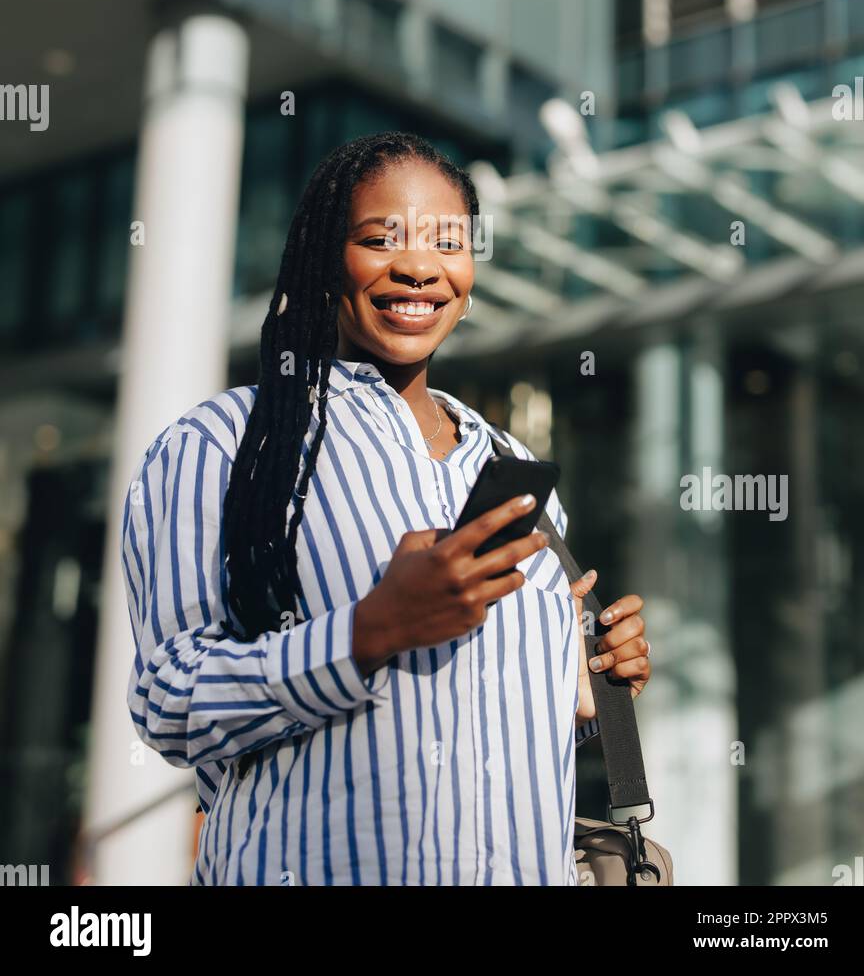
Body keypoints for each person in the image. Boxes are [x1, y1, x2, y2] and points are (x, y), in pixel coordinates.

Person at [122, 131, 651, 886]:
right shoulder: (225, 444)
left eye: (447, 241)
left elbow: (493, 710)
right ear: (323, 259)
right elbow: (169, 703)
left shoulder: (508, 466)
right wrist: (370, 632)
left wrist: (590, 682)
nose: (419, 265)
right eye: (381, 239)